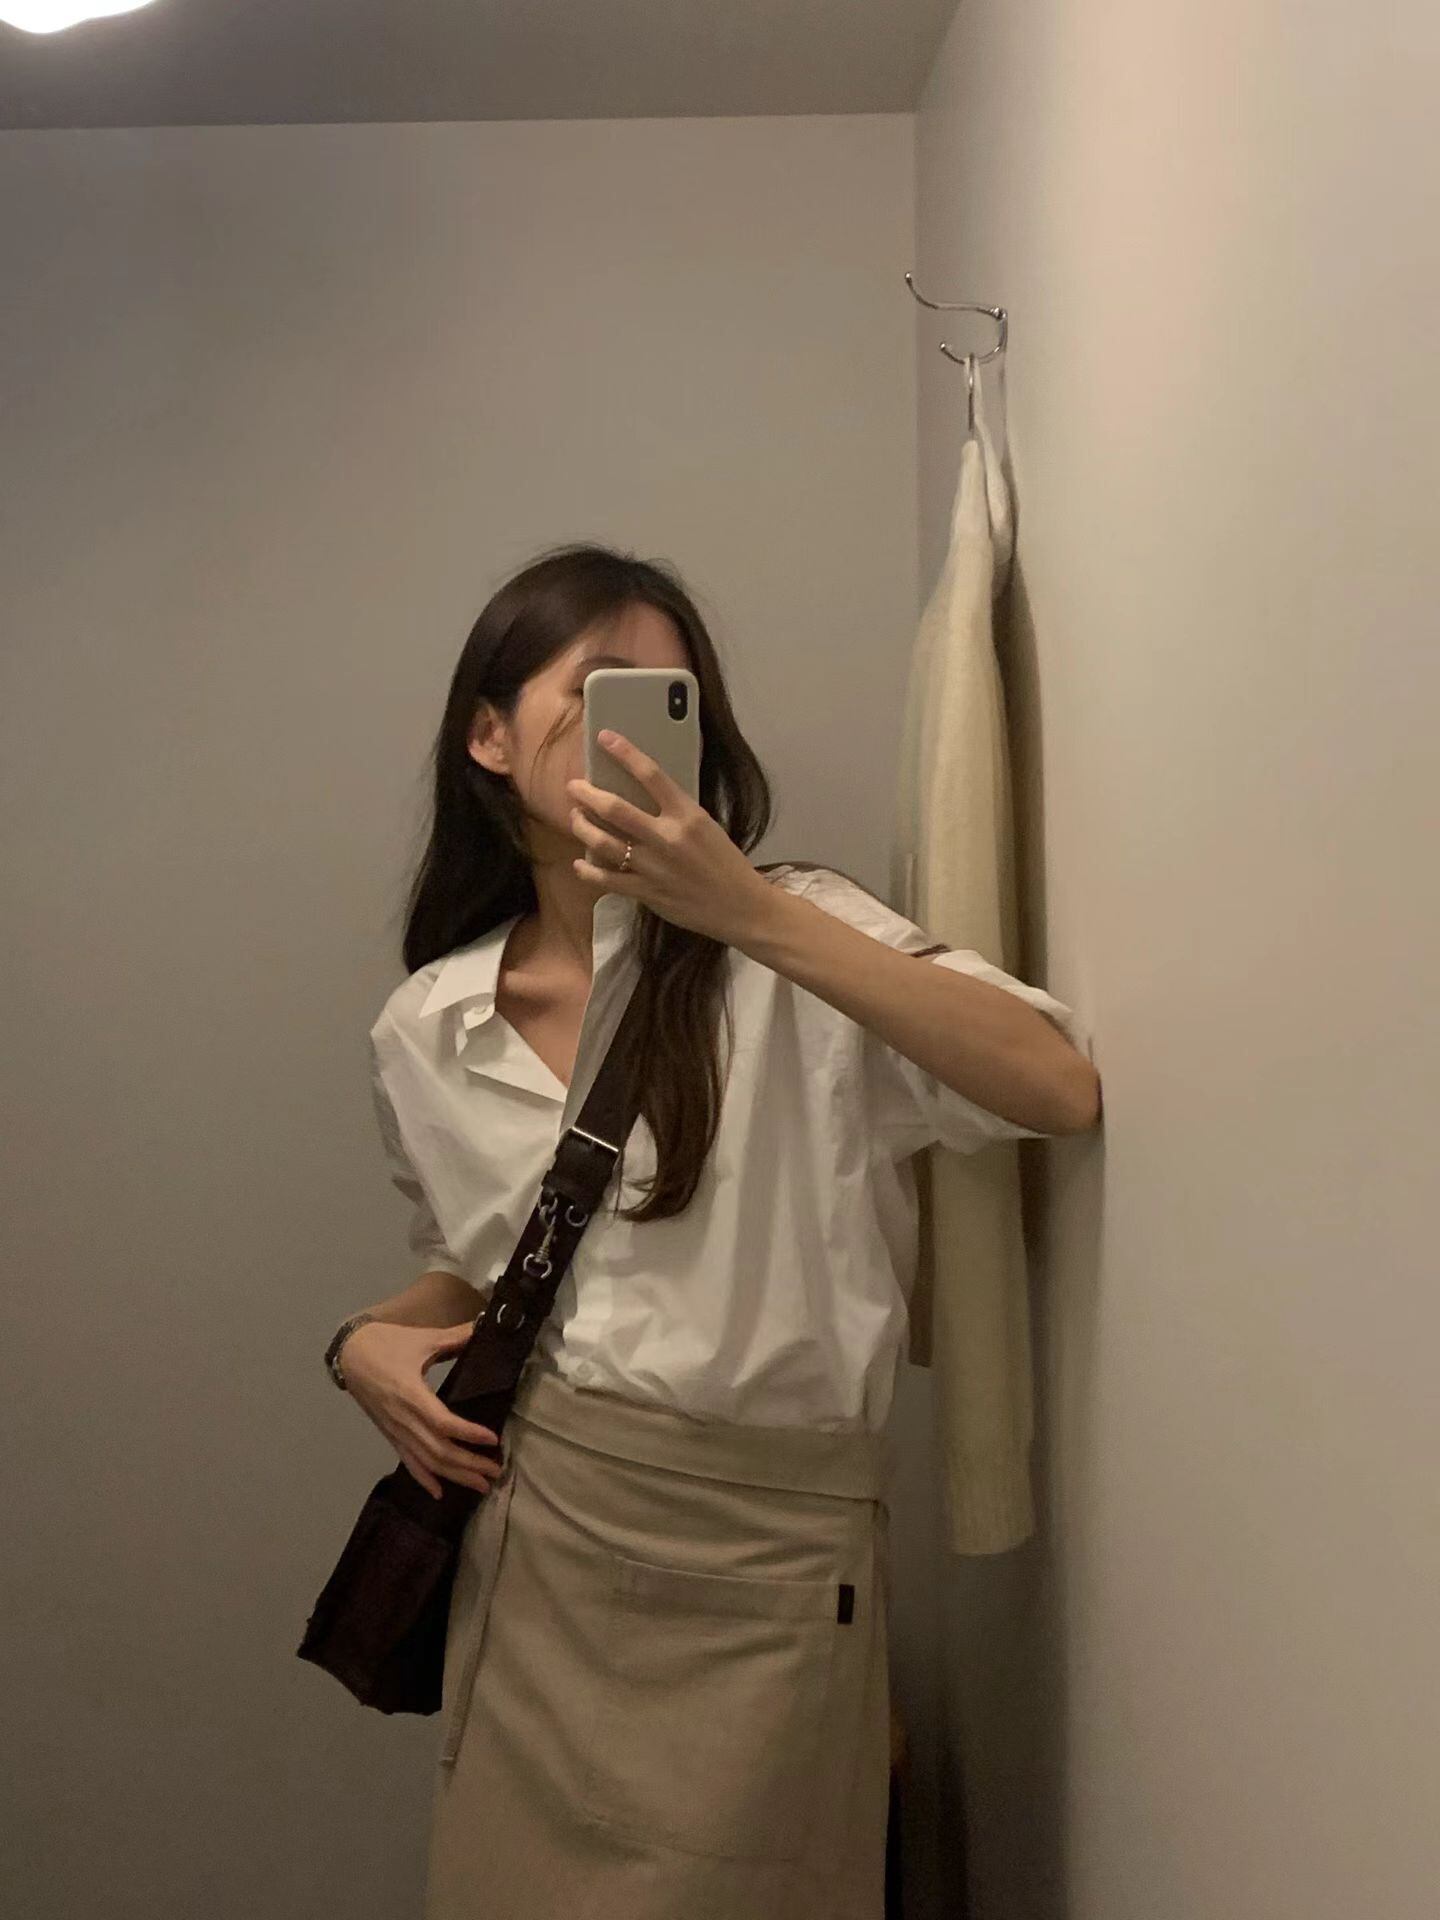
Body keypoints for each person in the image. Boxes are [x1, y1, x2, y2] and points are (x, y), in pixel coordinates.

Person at [327, 541, 1100, 1920]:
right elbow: (486, 1267)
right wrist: (361, 1345)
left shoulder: (798, 943)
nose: (633, 725)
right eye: (595, 690)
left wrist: (748, 914)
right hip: (542, 1549)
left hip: (772, 1558)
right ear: (489, 737)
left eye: (666, 696)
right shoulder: (428, 1027)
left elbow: (1052, 1084)